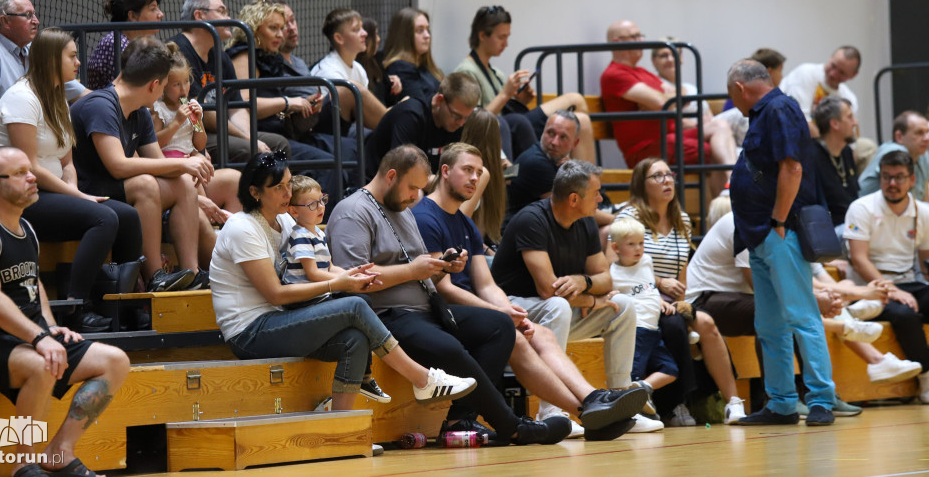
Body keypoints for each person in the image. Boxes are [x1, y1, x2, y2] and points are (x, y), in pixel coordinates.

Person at [327, 145, 573, 445]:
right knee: (452, 348)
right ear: (391, 176)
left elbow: (417, 266)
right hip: (387, 315)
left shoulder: (401, 208)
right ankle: (512, 427)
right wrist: (413, 271)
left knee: (499, 325)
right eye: (413, 187)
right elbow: (353, 280)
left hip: (428, 307)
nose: (416, 196)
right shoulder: (352, 212)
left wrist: (444, 266)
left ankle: (459, 420)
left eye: (420, 188)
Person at [209, 151, 477, 418]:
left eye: (289, 184)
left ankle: (340, 424)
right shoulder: (241, 228)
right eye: (278, 187)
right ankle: (422, 379)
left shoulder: (286, 220)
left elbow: (321, 269)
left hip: (279, 319)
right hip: (249, 332)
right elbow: (276, 294)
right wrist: (337, 284)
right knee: (355, 307)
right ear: (255, 192)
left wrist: (353, 276)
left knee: (355, 339)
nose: (288, 193)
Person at [413, 143, 648, 440]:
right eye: (467, 170)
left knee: (539, 333)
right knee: (516, 331)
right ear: (445, 172)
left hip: (474, 310)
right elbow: (442, 288)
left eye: (478, 172)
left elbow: (486, 284)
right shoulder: (426, 217)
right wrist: (499, 312)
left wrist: (510, 311)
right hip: (438, 311)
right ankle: (583, 408)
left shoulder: (465, 223)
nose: (474, 178)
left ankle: (592, 405)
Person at [0, 147, 129, 477]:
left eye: (30, 170)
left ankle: (59, 451)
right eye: (20, 173)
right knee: (43, 365)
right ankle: (22, 463)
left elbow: (33, 284)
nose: (33, 177)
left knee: (114, 361)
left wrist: (50, 327)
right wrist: (40, 337)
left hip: (26, 334)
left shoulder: (25, 228)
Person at [686, 196, 921, 403]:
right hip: (706, 300)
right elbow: (761, 286)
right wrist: (826, 298)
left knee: (793, 309)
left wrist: (828, 296)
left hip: (743, 299)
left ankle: (817, 395)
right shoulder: (747, 224)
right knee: (777, 312)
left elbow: (798, 280)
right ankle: (781, 398)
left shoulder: (785, 228)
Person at [490, 159, 663, 433]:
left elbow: (606, 279)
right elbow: (548, 289)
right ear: (574, 198)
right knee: (557, 304)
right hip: (516, 313)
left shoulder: (585, 223)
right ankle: (551, 411)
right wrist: (591, 300)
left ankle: (621, 403)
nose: (601, 198)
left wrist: (583, 281)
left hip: (559, 312)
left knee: (623, 305)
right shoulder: (531, 220)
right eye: (596, 193)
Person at [0, 27, 142, 333]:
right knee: (104, 218)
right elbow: (29, 166)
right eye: (72, 56)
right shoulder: (21, 98)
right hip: (21, 199)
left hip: (54, 192)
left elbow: (66, 161)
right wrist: (79, 197)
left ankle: (123, 304)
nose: (78, 63)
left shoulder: (57, 98)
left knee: (128, 216)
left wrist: (73, 191)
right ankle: (75, 308)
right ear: (50, 60)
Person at [726, 58, 836, 426]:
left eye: (732, 94)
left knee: (802, 316)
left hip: (778, 231)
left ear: (740, 87)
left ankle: (821, 399)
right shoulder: (765, 112)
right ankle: (782, 403)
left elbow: (793, 167)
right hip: (759, 234)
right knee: (770, 324)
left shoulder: (780, 107)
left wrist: (778, 219)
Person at [71, 36, 210, 292]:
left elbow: (159, 163)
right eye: (166, 86)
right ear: (154, 85)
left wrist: (190, 166)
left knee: (182, 185)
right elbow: (118, 166)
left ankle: (192, 273)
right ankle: (156, 276)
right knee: (146, 184)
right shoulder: (101, 105)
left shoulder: (141, 113)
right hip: (86, 190)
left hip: (118, 188)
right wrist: (181, 166)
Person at [613, 157, 741, 426]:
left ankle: (733, 403)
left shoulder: (681, 219)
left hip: (671, 298)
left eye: (669, 174)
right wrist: (658, 285)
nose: (667, 180)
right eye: (657, 176)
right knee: (673, 326)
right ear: (641, 184)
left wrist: (681, 301)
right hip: (638, 293)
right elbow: (620, 264)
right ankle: (676, 404)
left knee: (705, 322)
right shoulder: (630, 216)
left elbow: (681, 268)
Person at [228, 0, 356, 193]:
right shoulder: (244, 56)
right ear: (254, 29)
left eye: (282, 28)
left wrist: (305, 106)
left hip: (283, 134)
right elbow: (243, 104)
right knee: (329, 167)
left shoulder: (269, 57)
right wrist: (288, 103)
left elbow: (276, 112)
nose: (281, 34)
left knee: (346, 157)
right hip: (261, 137)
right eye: (273, 28)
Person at [600, 20, 735, 198]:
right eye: (634, 37)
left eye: (641, 36)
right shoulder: (615, 74)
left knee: (720, 125)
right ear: (617, 42)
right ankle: (725, 207)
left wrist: (661, 101)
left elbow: (681, 96)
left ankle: (732, 180)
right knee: (711, 152)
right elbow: (661, 103)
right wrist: (663, 100)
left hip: (669, 136)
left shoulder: (641, 72)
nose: (641, 41)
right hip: (647, 147)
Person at [283, 174, 388, 402]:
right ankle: (367, 376)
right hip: (305, 301)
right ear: (293, 211)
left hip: (320, 294)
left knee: (364, 305)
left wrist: (356, 274)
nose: (320, 207)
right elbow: (313, 273)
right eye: (312, 204)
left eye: (322, 200)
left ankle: (365, 376)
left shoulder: (318, 232)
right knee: (359, 306)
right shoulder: (300, 236)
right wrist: (344, 283)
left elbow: (329, 267)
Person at [454, 5, 595, 162]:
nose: (506, 43)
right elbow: (474, 123)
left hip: (515, 125)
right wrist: (505, 94)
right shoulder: (466, 72)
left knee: (582, 119)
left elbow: (504, 108)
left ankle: (587, 181)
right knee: (575, 99)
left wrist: (519, 101)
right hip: (507, 129)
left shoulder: (496, 73)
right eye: (501, 37)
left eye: (508, 37)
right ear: (482, 35)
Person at [843, 149, 929, 402]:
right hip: (868, 290)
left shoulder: (922, 211)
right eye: (887, 177)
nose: (892, 184)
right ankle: (925, 376)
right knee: (905, 314)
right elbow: (859, 260)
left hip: (908, 282)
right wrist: (894, 291)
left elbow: (925, 260)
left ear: (912, 180)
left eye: (899, 177)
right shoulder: (861, 208)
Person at [150, 43, 242, 255]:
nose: (183, 89)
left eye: (186, 82)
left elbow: (199, 145)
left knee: (201, 175)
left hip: (191, 159)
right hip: (169, 164)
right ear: (163, 86)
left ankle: (227, 233)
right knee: (192, 181)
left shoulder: (191, 105)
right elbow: (155, 143)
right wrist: (175, 123)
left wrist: (198, 121)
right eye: (176, 85)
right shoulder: (159, 110)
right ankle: (211, 236)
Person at [171, 0, 285, 161]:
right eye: (222, 11)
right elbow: (200, 112)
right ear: (199, 15)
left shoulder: (220, 55)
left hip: (220, 130)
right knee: (248, 149)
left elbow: (237, 106)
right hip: (192, 132)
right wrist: (249, 140)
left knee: (278, 144)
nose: (228, 17)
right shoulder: (179, 51)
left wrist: (249, 136)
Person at [608, 217, 694, 422]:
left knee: (670, 370)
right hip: (636, 331)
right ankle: (630, 415)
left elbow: (648, 286)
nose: (638, 248)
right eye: (631, 244)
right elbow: (614, 298)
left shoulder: (646, 260)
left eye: (641, 243)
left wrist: (659, 302)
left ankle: (641, 389)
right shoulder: (613, 273)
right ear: (616, 247)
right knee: (631, 374)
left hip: (653, 331)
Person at [0, 0, 87, 125]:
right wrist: (5, 145)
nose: (36, 21)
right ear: (5, 21)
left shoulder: (34, 48)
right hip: (4, 139)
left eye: (34, 14)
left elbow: (80, 93)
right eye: (28, 15)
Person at [365, 72, 480, 179]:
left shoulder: (457, 123)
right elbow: (401, 172)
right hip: (379, 186)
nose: (461, 123)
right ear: (440, 100)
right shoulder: (411, 116)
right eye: (457, 116)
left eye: (466, 117)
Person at [311, 8, 389, 131]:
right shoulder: (328, 71)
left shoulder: (358, 69)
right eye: (356, 29)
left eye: (362, 28)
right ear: (339, 38)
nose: (365, 33)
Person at [86, 0, 164, 90]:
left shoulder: (135, 43)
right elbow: (127, 91)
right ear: (132, 16)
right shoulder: (115, 43)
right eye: (153, 9)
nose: (161, 14)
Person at [779, 46, 861, 136]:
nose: (833, 74)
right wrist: (827, 147)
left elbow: (849, 137)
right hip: (789, 135)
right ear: (830, 58)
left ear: (853, 75)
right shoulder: (806, 73)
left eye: (842, 72)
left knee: (867, 146)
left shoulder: (849, 98)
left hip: (826, 145)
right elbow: (800, 120)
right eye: (833, 66)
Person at [716, 48, 786, 146]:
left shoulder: (776, 104)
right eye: (780, 71)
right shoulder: (773, 107)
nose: (781, 76)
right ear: (769, 72)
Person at [458, 108, 507, 248]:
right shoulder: (485, 173)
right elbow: (458, 225)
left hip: (472, 247)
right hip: (468, 249)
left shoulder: (456, 164)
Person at [811, 96, 859, 234]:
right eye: (850, 117)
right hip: (829, 231)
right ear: (835, 124)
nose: (855, 123)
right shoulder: (812, 156)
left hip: (852, 224)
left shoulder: (847, 152)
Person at [858, 111, 929, 201]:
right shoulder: (893, 153)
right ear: (899, 137)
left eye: (927, 132)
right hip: (870, 212)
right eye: (919, 133)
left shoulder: (923, 155)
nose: (927, 138)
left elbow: (924, 199)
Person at [381, 7, 444, 106]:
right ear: (404, 36)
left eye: (428, 30)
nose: (427, 35)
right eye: (420, 31)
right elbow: (421, 106)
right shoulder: (400, 67)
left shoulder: (426, 67)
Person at [356, 17, 401, 106]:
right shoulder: (356, 67)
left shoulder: (376, 59)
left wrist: (394, 83)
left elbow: (389, 99)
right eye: (375, 35)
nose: (378, 39)